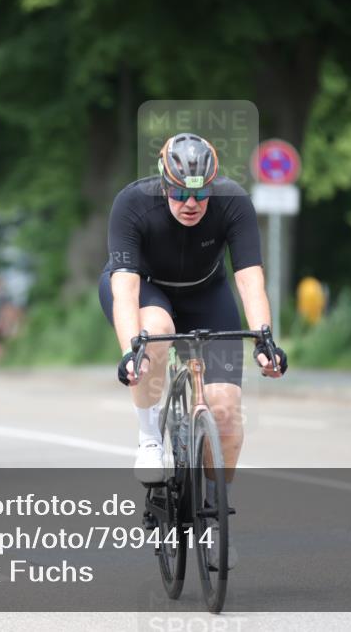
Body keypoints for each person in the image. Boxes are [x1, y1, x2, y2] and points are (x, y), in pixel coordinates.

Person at [99, 132, 288, 566]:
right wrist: (133, 350)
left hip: (206, 293)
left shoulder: (233, 202)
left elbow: (249, 279)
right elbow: (125, 291)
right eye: (180, 192)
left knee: (224, 408)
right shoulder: (133, 203)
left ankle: (215, 520)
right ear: (164, 182)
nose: (190, 202)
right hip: (145, 290)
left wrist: (264, 338)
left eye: (200, 193)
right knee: (156, 332)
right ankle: (149, 439)